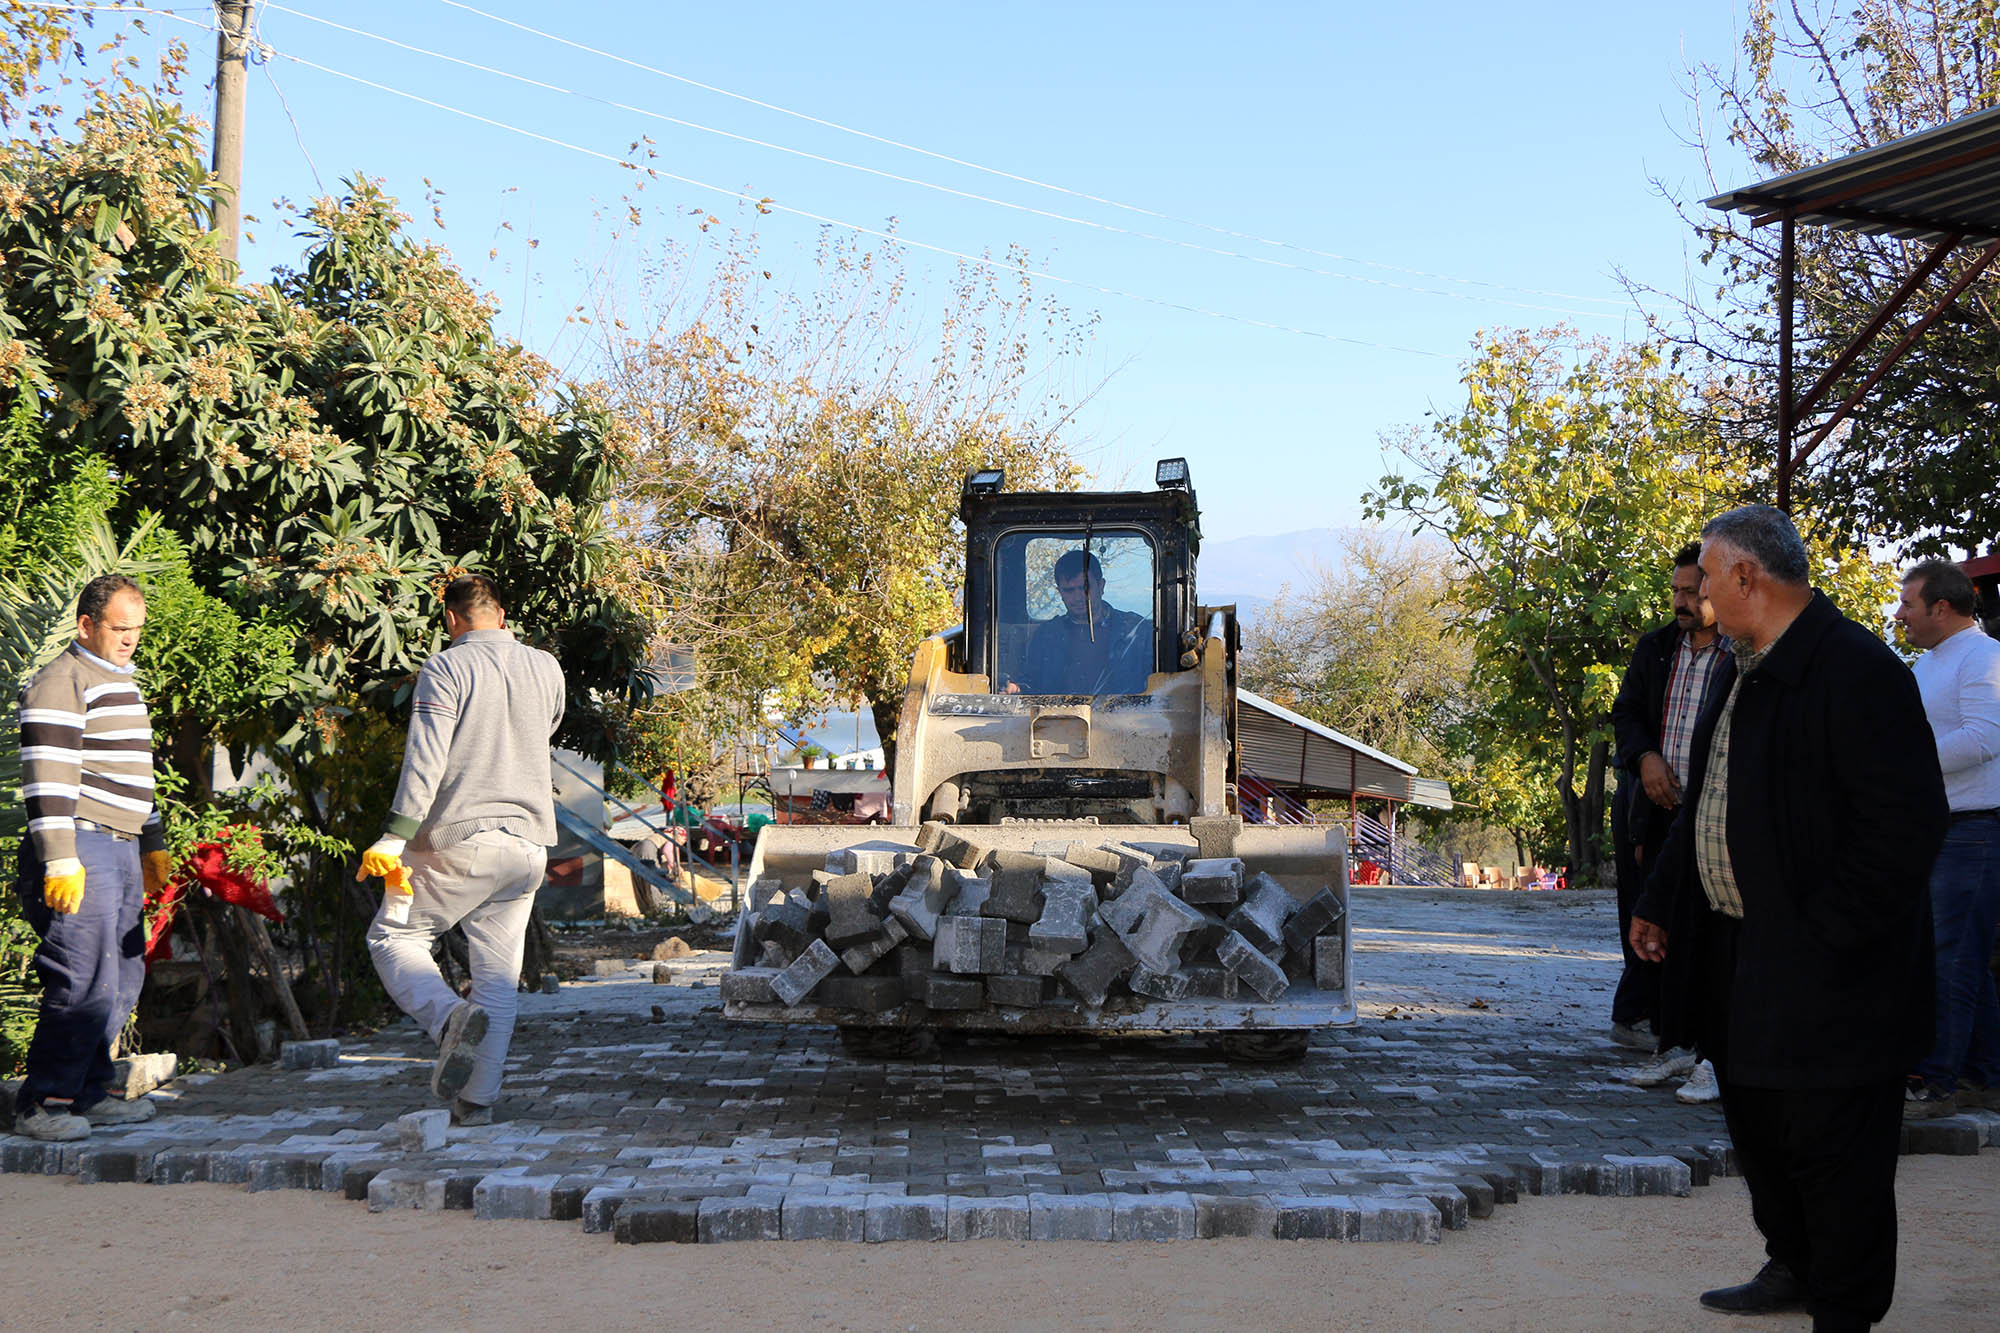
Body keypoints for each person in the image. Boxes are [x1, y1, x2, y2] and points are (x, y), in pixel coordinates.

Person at [1630, 506, 1946, 1328]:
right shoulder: (1745, 665)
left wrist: (1822, 937)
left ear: (1746, 577)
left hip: (1834, 971)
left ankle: (1844, 1306)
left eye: (1704, 576)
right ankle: (1794, 1263)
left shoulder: (1858, 670)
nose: (1695, 594)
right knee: (1763, 1131)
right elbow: (1709, 801)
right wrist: (1665, 900)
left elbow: (1904, 832)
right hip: (1742, 954)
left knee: (1836, 1148)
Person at [357, 575, 564, 1127]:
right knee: (497, 978)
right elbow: (543, 730)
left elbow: (426, 759)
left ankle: (450, 1021)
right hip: (528, 848)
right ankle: (476, 1102)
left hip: (459, 844)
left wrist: (394, 835)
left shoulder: (446, 668)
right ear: (502, 614)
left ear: (451, 620)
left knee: (393, 936)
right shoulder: (546, 667)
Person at [11, 575, 172, 1141]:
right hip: (80, 846)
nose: (131, 640)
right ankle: (43, 1105)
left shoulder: (119, 680)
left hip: (120, 846)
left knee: (120, 974)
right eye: (120, 629)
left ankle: (88, 1091)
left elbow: (134, 774)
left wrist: (151, 844)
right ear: (86, 625)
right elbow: (47, 775)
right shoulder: (63, 679)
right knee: (79, 977)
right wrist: (59, 858)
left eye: (137, 630)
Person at [1608, 541, 1733, 1103]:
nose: (1681, 602)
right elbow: (1627, 714)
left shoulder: (1741, 652)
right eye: (1676, 591)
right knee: (1658, 926)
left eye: (1692, 592)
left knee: (1714, 933)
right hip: (1658, 813)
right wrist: (1645, 759)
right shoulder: (1657, 648)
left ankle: (1716, 1052)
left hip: (1717, 816)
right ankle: (1674, 1042)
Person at [1893, 558, 2000, 1119]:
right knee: (1965, 958)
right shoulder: (1928, 663)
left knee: (1948, 958)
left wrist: (1902, 765)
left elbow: (1983, 739)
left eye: (1908, 603)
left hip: (1974, 827)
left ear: (1942, 606)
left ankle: (1936, 1082)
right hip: (1938, 825)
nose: (1899, 613)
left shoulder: (1986, 657)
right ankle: (1984, 1076)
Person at [1008, 549, 1152, 695]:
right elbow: (1031, 683)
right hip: (1060, 715)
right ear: (1060, 593)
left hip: (1126, 715)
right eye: (1069, 590)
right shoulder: (1047, 635)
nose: (1078, 597)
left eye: (1084, 588)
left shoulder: (1136, 630)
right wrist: (1016, 689)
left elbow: (1156, 685)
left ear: (1101, 586)